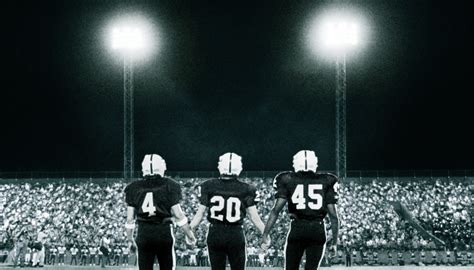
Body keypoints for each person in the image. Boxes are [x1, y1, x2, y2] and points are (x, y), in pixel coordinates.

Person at [261, 150, 340, 270]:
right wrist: (334, 242)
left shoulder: (287, 179)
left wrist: (266, 233)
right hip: (317, 229)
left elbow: (275, 211)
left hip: (297, 228)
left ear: (296, 163)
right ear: (315, 163)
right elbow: (333, 217)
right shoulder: (327, 180)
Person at [190, 152, 265, 270]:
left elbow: (199, 215)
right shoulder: (247, 188)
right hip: (235, 233)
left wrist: (189, 231)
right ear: (239, 167)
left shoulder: (208, 185)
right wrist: (265, 233)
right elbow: (254, 218)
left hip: (215, 232)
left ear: (220, 166)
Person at [124, 154, 196, 270]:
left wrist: (129, 239)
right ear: (161, 167)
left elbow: (129, 219)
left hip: (144, 233)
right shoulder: (170, 185)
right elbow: (178, 215)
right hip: (163, 232)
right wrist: (189, 234)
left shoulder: (133, 187)